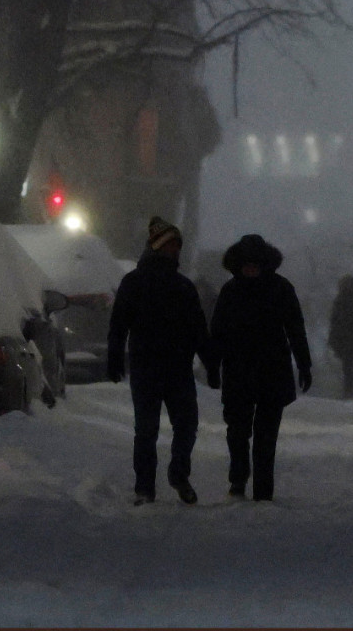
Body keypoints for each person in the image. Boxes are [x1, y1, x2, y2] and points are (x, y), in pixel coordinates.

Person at [107, 216, 209, 507]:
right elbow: (119, 325)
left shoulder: (182, 287)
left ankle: (176, 475)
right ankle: (145, 487)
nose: (175, 251)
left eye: (178, 246)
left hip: (172, 368)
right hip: (150, 368)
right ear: (157, 247)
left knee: (184, 426)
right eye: (171, 245)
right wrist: (115, 356)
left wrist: (210, 362)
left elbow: (198, 329)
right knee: (148, 429)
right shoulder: (137, 283)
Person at [206, 234, 311, 502]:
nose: (250, 268)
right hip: (245, 372)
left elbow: (295, 329)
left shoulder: (273, 289)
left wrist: (304, 363)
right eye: (246, 264)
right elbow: (217, 331)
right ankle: (240, 479)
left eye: (254, 264)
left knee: (264, 437)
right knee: (238, 432)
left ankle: (261, 489)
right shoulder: (237, 291)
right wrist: (212, 365)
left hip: (265, 373)